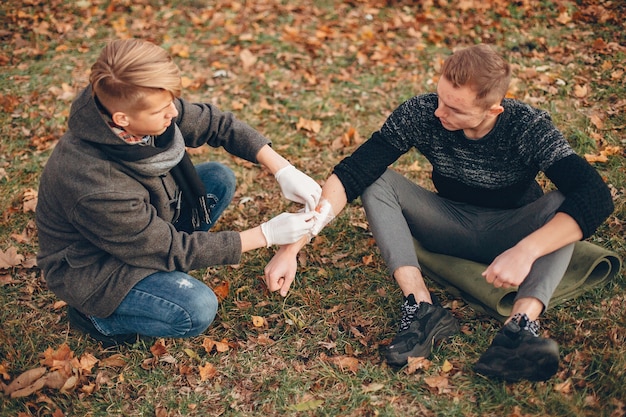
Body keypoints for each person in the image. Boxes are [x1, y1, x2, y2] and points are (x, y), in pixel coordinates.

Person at [263, 44, 614, 382]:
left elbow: (595, 196)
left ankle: (518, 330)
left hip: (514, 231)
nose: (439, 113)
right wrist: (293, 246)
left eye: (455, 109)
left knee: (561, 202)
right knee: (375, 180)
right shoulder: (422, 112)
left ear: (493, 110)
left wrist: (527, 251)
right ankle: (421, 309)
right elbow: (353, 172)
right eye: (441, 98)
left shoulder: (528, 127)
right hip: (449, 223)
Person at [35, 38, 322, 348]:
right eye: (162, 109)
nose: (174, 111)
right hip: (97, 268)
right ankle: (97, 318)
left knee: (217, 178)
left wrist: (282, 168)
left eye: (172, 101)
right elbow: (170, 248)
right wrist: (265, 234)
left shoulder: (136, 107)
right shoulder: (94, 182)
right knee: (196, 308)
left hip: (141, 227)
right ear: (122, 120)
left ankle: (158, 277)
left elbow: (216, 124)